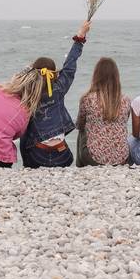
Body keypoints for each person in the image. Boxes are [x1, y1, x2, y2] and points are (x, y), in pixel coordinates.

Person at [19, 21, 92, 168]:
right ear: (53, 75)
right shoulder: (59, 89)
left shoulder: (26, 93)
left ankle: (27, 167)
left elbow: (18, 78)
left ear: (33, 74)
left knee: (24, 132)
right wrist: (81, 36)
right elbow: (70, 65)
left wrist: (30, 70)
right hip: (62, 157)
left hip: (36, 158)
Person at [76, 57, 131, 166]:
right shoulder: (126, 100)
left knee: (82, 130)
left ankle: (80, 166)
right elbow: (125, 120)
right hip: (121, 158)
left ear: (96, 76)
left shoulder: (87, 99)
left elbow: (79, 124)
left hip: (93, 159)